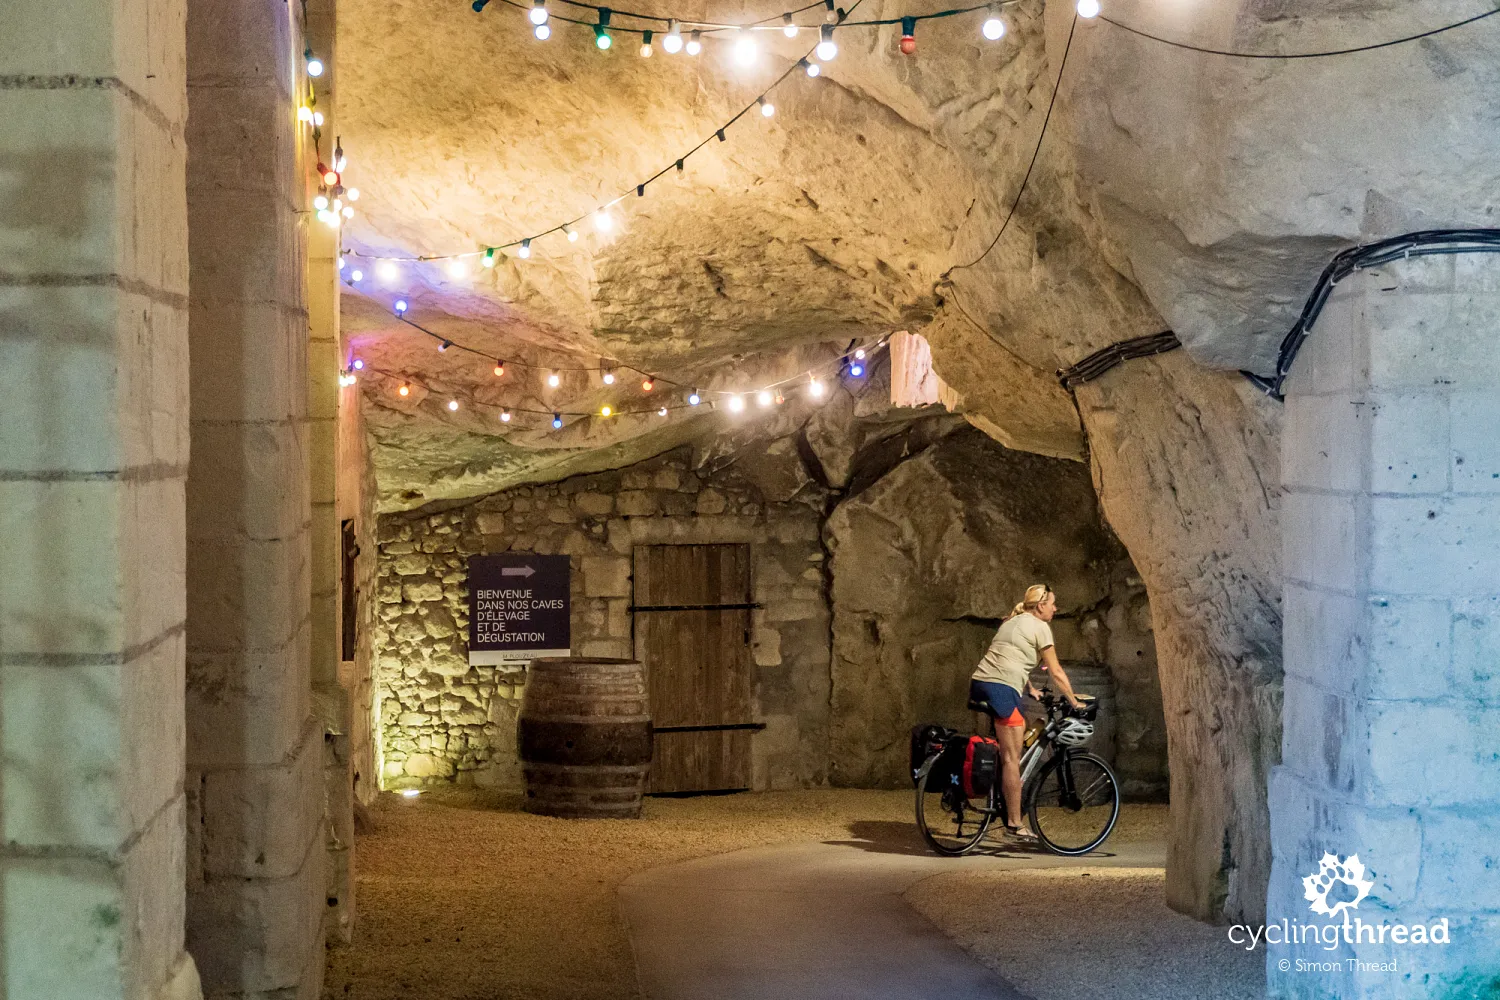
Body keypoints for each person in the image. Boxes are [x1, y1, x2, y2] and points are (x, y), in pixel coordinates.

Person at [968, 584, 1084, 842]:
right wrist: (1074, 701)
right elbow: (1056, 672)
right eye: (1053, 603)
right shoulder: (1041, 627)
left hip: (980, 684)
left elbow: (1010, 657)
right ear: (1041, 605)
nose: (1055, 608)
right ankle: (1013, 823)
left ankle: (998, 789)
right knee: (1012, 758)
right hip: (1001, 689)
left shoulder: (1011, 622)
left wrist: (1030, 688)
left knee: (1011, 742)